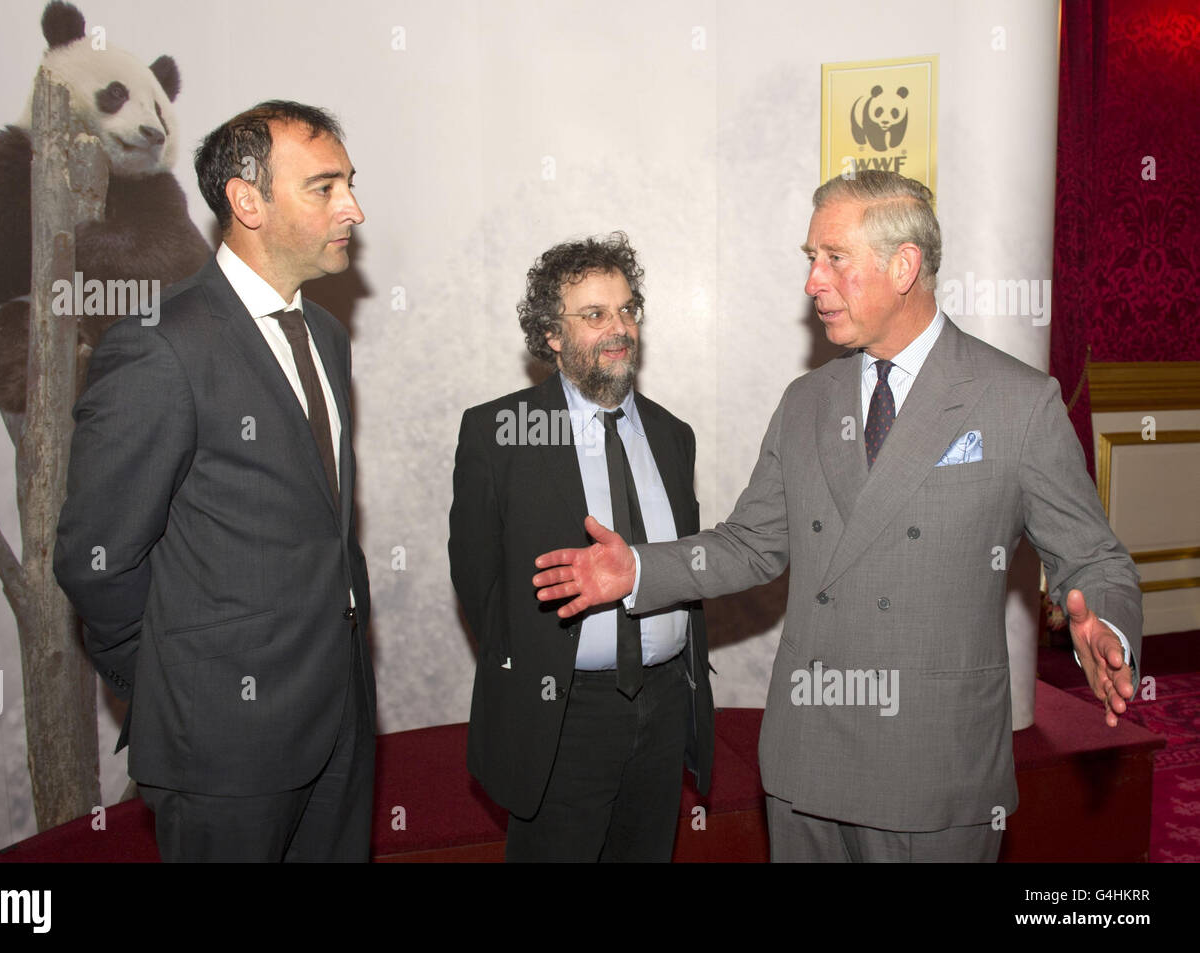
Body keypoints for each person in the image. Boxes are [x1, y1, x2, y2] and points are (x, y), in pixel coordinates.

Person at [532, 172, 1142, 862]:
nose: (812, 281)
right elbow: (753, 543)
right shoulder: (807, 402)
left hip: (931, 772)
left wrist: (1107, 625)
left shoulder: (1017, 403)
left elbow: (1094, 558)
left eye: (833, 259)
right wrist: (638, 567)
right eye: (810, 258)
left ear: (903, 265)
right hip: (807, 765)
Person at [54, 101, 375, 862]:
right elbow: (96, 558)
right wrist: (173, 686)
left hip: (340, 720)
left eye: (350, 184)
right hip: (221, 745)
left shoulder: (326, 336)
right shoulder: (160, 348)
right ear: (247, 200)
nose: (353, 209)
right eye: (325, 187)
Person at [449, 233, 714, 862]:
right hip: (561, 716)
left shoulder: (674, 436)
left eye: (627, 310)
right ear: (552, 335)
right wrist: (544, 669)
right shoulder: (499, 432)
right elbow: (479, 584)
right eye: (594, 315)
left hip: (663, 706)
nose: (618, 327)